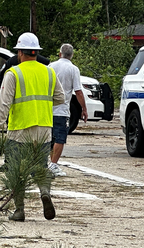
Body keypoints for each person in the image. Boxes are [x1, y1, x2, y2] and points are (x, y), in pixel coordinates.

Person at [0, 32, 65, 222]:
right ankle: (45, 191)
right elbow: (61, 97)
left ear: (20, 52)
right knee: (40, 166)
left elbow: (3, 104)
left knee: (16, 169)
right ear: (36, 52)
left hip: (20, 130)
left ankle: (19, 210)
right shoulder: (49, 71)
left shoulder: (13, 73)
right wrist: (42, 105)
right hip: (44, 129)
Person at [48, 44, 87, 177]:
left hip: (47, 108)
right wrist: (84, 109)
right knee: (60, 138)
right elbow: (78, 91)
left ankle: (47, 162)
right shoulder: (73, 69)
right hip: (62, 109)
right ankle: (53, 164)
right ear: (72, 55)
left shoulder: (50, 67)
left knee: (48, 137)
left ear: (60, 54)